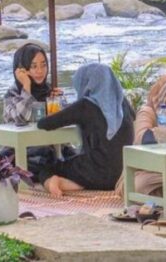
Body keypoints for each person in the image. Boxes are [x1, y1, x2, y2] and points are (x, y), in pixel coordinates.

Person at [37, 63, 135, 196]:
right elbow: (132, 118)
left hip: (96, 172)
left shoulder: (85, 106)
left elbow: (44, 124)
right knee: (76, 159)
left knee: (47, 167)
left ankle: (53, 183)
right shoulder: (123, 104)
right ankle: (66, 184)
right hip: (123, 175)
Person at [2, 44, 73, 180]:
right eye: (34, 66)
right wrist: (26, 88)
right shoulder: (12, 95)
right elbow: (23, 117)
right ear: (22, 70)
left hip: (53, 150)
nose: (40, 71)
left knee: (74, 157)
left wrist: (61, 104)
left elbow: (66, 124)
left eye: (43, 65)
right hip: (24, 153)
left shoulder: (50, 92)